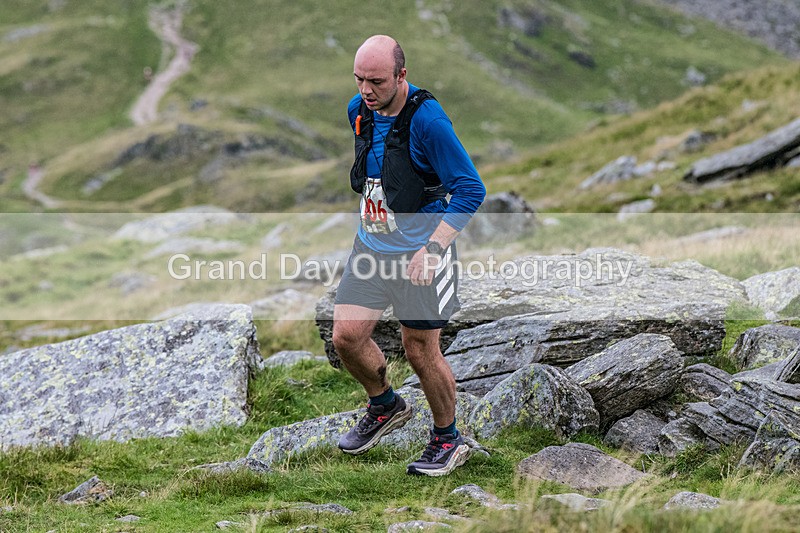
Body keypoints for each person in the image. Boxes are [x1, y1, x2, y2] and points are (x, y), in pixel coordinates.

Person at [333, 35, 486, 476]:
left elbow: (471, 189)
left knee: (419, 351)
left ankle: (447, 439)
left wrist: (434, 248)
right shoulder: (357, 111)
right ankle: (386, 405)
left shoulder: (429, 121)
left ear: (402, 75)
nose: (366, 90)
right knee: (345, 337)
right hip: (372, 248)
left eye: (376, 81)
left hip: (422, 251)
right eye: (359, 79)